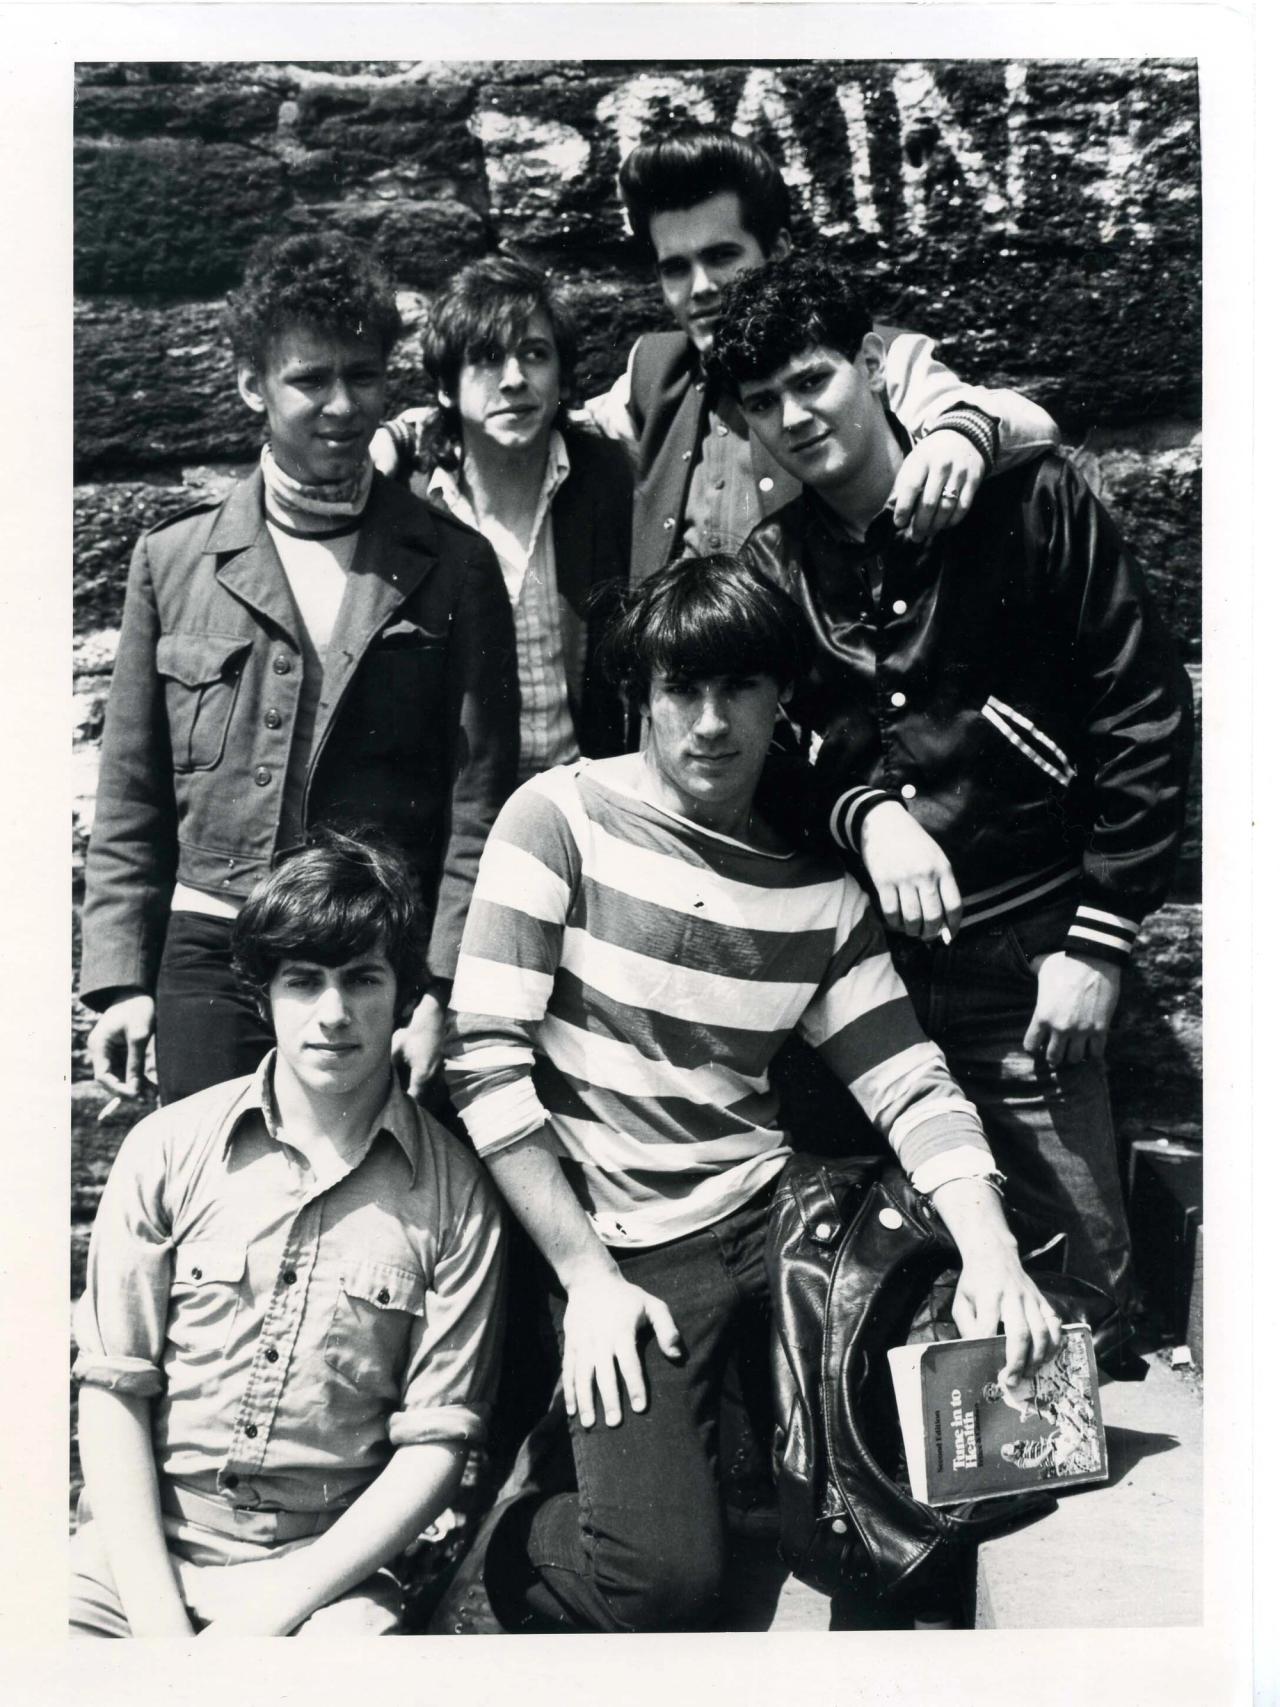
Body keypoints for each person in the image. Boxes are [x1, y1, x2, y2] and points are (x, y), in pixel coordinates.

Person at [440, 553, 1063, 1634]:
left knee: (895, 1513)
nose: (710, 724)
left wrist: (992, 1253)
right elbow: (483, 1061)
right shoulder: (558, 818)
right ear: (641, 695)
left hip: (774, 1224)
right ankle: (517, 1529)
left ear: (781, 701)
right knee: (659, 1586)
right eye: (681, 689)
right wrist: (586, 1282)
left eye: (739, 689)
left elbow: (910, 1083)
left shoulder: (819, 890)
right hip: (623, 1246)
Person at [708, 252, 1193, 1326]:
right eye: (763, 402)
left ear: (869, 364)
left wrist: (1100, 940)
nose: (793, 417)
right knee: (860, 1296)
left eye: (812, 379)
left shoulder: (1030, 502)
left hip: (1029, 966)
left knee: (1085, 1315)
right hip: (859, 976)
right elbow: (759, 758)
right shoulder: (774, 566)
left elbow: (1142, 710)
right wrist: (865, 813)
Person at [80, 232, 519, 1108]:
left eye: (363, 375)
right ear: (254, 385)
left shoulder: (454, 564)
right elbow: (132, 793)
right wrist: (123, 980)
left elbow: (480, 803)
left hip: (375, 958)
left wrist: (442, 987)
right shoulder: (173, 563)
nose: (342, 405)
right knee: (221, 1175)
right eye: (310, 379)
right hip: (215, 948)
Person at [70, 831, 506, 1637]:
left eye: (362, 979)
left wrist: (269, 1613)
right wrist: (165, 1636)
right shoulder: (167, 1150)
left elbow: (435, 1445)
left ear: (404, 995)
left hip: (325, 1577)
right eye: (303, 981)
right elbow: (111, 1387)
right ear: (262, 992)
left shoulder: (457, 1197)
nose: (333, 1013)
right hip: (134, 1554)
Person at [584, 125, 1063, 578]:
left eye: (721, 256)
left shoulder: (869, 357)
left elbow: (1019, 421)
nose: (700, 288)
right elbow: (567, 431)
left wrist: (962, 435)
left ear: (778, 252)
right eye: (675, 268)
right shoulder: (654, 369)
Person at [380, 255, 634, 782]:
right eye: (487, 357)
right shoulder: (409, 499)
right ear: (446, 388)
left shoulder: (609, 478)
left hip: (589, 792)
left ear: (562, 377)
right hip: (458, 809)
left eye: (535, 354)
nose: (514, 379)